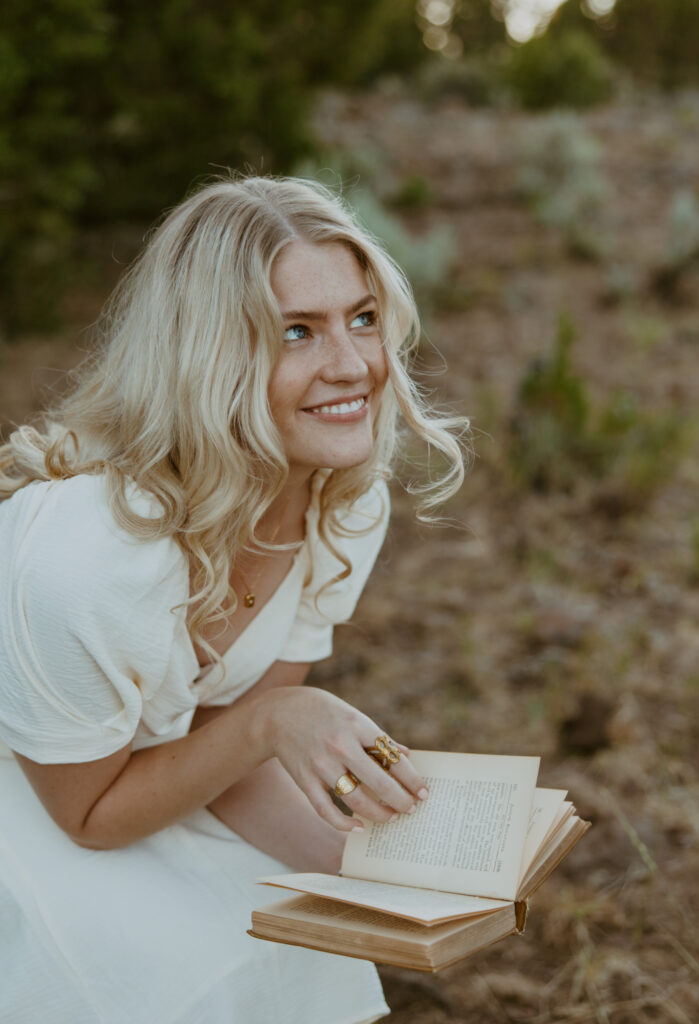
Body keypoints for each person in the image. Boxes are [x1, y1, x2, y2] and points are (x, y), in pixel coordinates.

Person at [0, 175, 467, 1024]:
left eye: (361, 319)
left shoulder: (342, 500)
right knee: (162, 965)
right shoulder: (88, 559)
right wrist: (273, 726)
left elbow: (221, 746)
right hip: (36, 796)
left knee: (298, 945)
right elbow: (89, 816)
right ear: (207, 354)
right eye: (297, 332)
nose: (352, 365)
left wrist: (380, 880)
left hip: (149, 776)